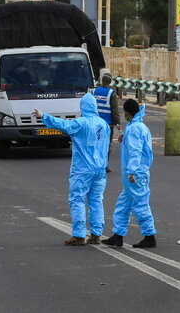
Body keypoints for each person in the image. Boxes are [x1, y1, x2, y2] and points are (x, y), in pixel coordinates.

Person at [32, 93, 109, 246]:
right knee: (96, 200)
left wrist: (44, 116)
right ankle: (96, 234)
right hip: (100, 168)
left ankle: (79, 234)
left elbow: (63, 125)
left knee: (77, 199)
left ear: (83, 107)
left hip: (83, 168)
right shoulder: (103, 124)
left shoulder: (81, 122)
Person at [103, 99, 157, 248]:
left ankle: (149, 236)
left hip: (135, 174)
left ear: (127, 113)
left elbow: (135, 152)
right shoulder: (139, 126)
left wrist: (132, 171)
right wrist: (124, 140)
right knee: (123, 205)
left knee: (140, 205)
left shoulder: (133, 128)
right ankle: (118, 235)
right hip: (137, 173)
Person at [91, 75, 121, 172]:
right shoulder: (111, 93)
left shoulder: (93, 92)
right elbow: (114, 110)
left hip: (95, 123)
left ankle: (94, 164)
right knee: (106, 144)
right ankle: (104, 165)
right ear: (109, 82)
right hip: (107, 124)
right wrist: (117, 122)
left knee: (95, 143)